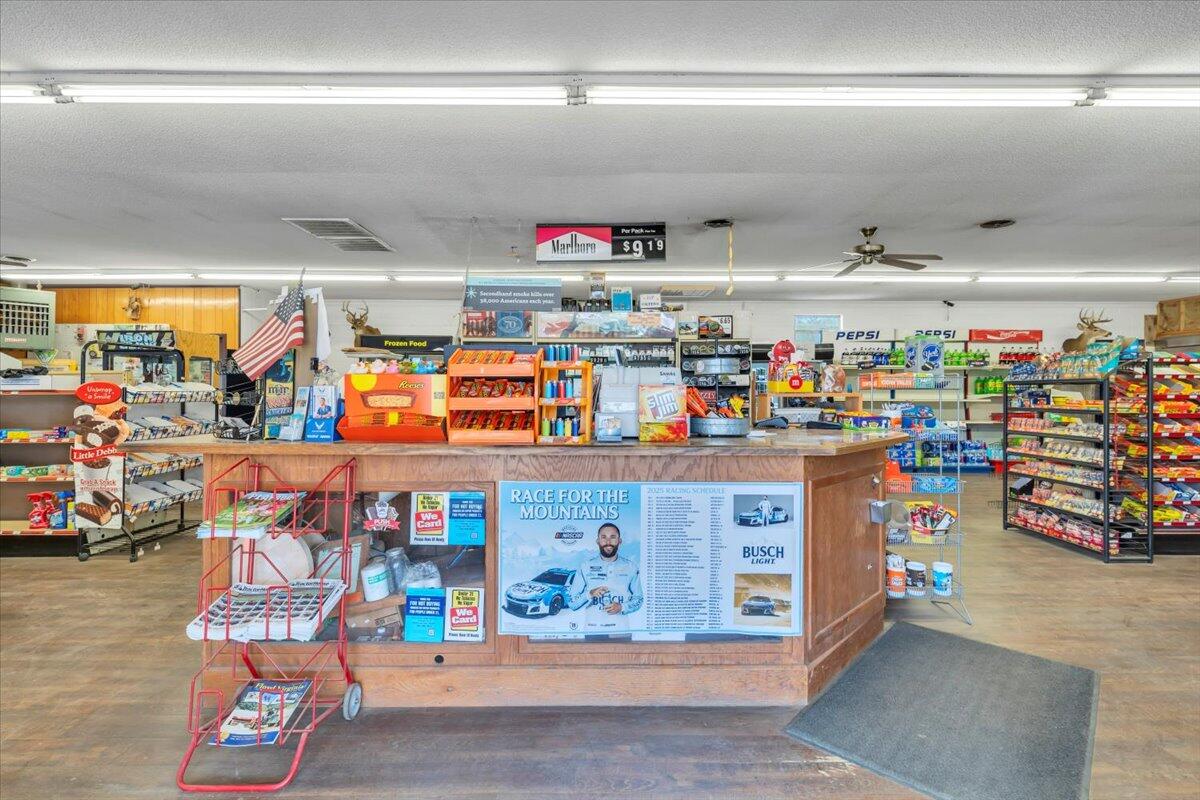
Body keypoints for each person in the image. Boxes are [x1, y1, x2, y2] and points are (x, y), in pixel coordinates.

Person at [568, 522, 643, 632]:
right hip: (592, 630)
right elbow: (572, 603)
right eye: (604, 537)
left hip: (620, 631)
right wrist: (590, 593)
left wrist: (622, 607)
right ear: (598, 541)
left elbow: (639, 599)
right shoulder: (585, 566)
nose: (608, 542)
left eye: (613, 537)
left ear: (619, 541)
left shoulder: (631, 567)